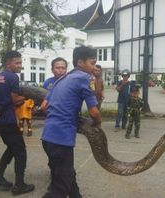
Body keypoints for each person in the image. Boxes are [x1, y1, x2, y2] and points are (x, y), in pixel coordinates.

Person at [41, 46, 101, 198]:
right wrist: (98, 122)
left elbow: (44, 106)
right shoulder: (84, 78)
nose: (94, 68)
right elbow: (94, 112)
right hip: (61, 139)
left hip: (48, 137)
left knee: (66, 175)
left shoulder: (62, 78)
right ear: (80, 62)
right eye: (92, 63)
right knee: (60, 187)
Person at [0, 51, 35, 196]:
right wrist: (27, 97)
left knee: (12, 147)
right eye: (17, 63)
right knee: (20, 151)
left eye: (21, 63)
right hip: (7, 120)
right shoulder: (13, 77)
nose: (20, 66)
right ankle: (19, 185)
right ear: (9, 63)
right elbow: (15, 100)